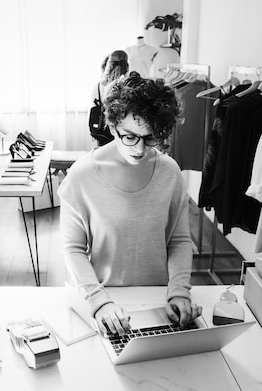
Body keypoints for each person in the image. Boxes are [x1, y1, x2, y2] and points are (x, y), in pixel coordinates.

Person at [60, 73, 201, 337]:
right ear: (112, 126)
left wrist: (179, 292)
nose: (139, 148)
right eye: (130, 137)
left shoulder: (169, 172)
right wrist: (98, 301)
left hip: (159, 302)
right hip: (103, 301)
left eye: (150, 138)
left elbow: (179, 240)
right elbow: (73, 249)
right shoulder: (81, 176)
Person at [90, 50, 129, 146]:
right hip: (115, 128)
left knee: (102, 154)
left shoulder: (98, 86)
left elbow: (94, 104)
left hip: (99, 128)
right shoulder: (121, 84)